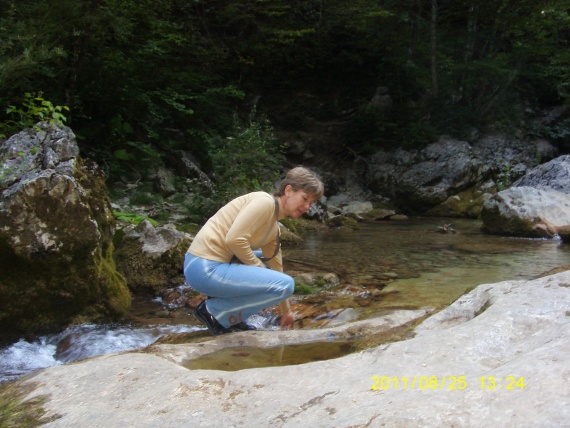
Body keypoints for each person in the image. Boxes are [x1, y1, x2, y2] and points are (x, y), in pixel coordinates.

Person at [183, 166, 324, 335]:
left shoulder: (274, 228)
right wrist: (257, 267)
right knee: (283, 281)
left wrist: (286, 312)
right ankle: (213, 311)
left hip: (212, 267)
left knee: (269, 263)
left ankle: (232, 317)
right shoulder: (264, 202)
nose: (307, 207)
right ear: (288, 190)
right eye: (305, 198)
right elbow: (234, 240)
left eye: (311, 203)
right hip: (203, 267)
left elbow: (277, 270)